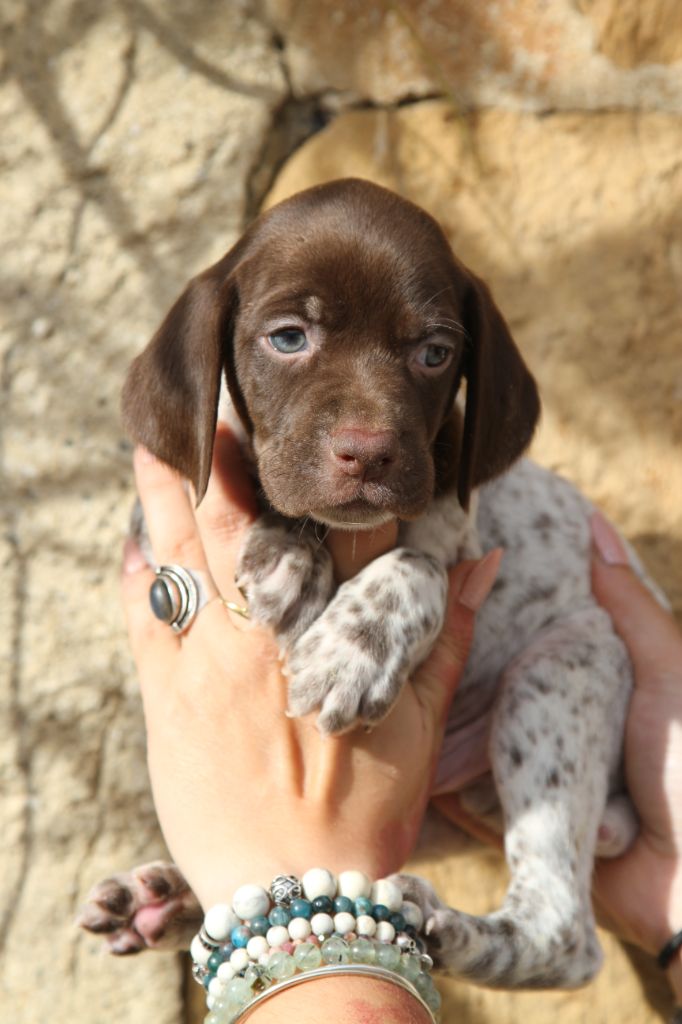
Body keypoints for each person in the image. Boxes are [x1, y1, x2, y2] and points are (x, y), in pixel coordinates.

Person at [122, 426, 682, 1020]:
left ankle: (550, 926)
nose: (361, 428)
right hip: (433, 771)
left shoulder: (441, 449)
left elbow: (433, 563)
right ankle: (258, 892)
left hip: (557, 707)